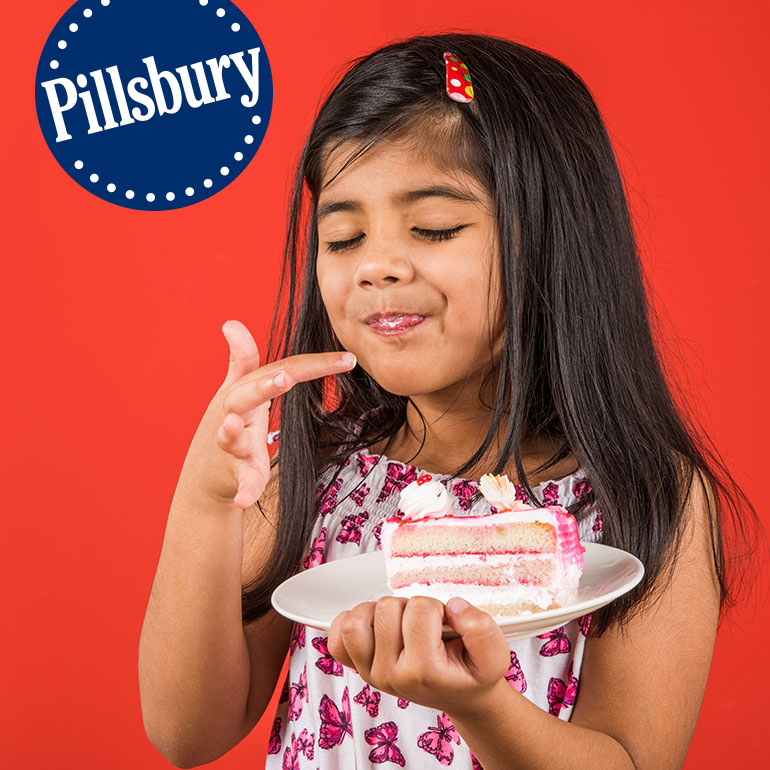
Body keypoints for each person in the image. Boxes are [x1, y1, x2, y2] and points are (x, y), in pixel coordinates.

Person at [138, 33, 762, 770]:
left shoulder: (643, 495)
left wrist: (476, 702)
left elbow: (630, 758)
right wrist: (206, 498)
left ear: (550, 245)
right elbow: (188, 731)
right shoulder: (320, 471)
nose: (377, 265)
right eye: (343, 236)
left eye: (433, 227)